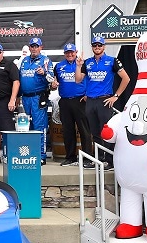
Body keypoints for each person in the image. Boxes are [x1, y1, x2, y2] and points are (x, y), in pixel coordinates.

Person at [74, 35, 130, 170]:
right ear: (92, 47)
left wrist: (116, 96)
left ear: (104, 47)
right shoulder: (87, 62)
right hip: (90, 101)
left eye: (99, 45)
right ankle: (99, 160)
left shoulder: (112, 61)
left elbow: (126, 78)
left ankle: (110, 161)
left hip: (105, 100)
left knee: (107, 132)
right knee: (95, 132)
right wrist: (78, 66)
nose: (97, 47)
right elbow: (78, 80)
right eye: (95, 45)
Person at [52, 43, 93, 167]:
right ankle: (70, 157)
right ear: (64, 54)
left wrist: (88, 94)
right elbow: (55, 82)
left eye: (72, 52)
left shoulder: (83, 64)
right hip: (65, 101)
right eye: (67, 52)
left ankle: (86, 159)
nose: (70, 54)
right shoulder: (59, 66)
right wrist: (53, 85)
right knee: (68, 130)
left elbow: (92, 80)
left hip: (80, 100)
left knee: (84, 130)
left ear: (76, 52)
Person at [19, 37, 53, 165]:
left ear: (41, 47)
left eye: (36, 46)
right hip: (26, 98)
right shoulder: (24, 60)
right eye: (32, 46)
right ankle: (30, 153)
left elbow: (52, 79)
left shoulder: (45, 60)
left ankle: (41, 155)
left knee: (39, 126)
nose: (34, 48)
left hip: (38, 97)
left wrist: (44, 72)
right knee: (26, 127)